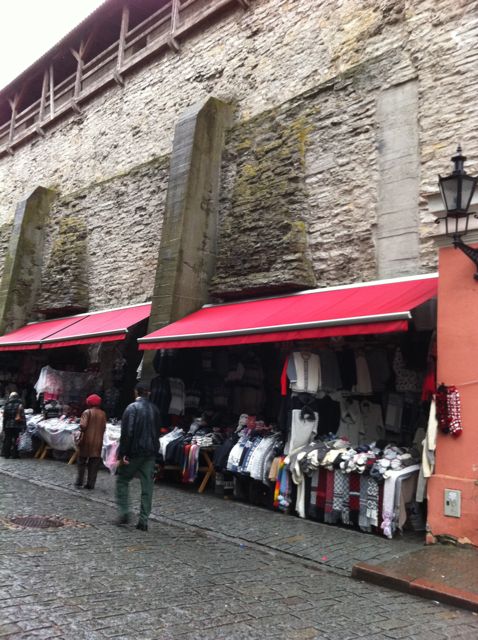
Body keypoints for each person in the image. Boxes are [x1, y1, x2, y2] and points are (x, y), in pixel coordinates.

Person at [116, 382, 161, 531]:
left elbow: (127, 433)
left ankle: (124, 512)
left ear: (136, 392)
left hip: (135, 451)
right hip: (150, 452)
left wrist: (123, 453)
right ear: (148, 393)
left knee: (122, 480)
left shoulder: (132, 408)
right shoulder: (155, 409)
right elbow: (157, 432)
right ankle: (143, 520)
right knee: (147, 485)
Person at [75, 394, 107, 490]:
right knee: (94, 464)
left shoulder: (87, 412)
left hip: (86, 441)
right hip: (98, 442)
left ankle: (79, 481)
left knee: (82, 462)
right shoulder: (103, 414)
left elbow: (83, 426)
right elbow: (104, 427)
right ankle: (90, 484)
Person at [1, 391, 26, 459]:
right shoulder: (20, 405)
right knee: (16, 439)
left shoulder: (6, 405)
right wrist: (24, 426)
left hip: (8, 425)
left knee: (8, 439)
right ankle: (15, 454)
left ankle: (6, 454)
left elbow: (5, 417)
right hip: (17, 425)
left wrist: (4, 426)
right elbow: (22, 416)